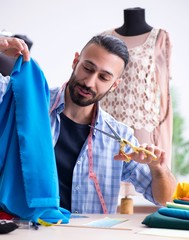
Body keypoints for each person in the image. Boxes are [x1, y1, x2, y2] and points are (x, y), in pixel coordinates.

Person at [0, 35, 176, 214]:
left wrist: (158, 168)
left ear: (114, 85)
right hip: (25, 230)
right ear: (76, 61)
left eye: (104, 77)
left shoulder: (119, 138)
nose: (90, 82)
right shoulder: (27, 101)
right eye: (88, 68)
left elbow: (163, 199)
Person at [100, 7, 173, 168]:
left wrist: (163, 146)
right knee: (107, 183)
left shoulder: (160, 38)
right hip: (108, 128)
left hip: (143, 129)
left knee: (141, 182)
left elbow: (165, 96)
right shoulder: (103, 38)